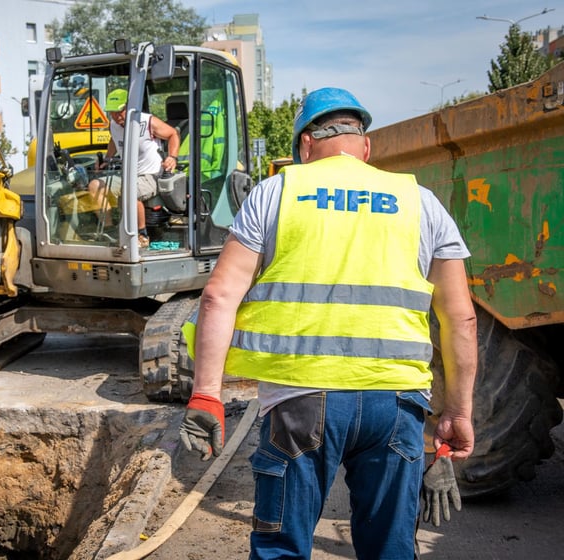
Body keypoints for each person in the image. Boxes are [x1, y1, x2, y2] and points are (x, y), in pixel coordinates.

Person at [178, 87, 478, 559]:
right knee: (390, 550)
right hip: (396, 405)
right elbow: (460, 318)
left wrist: (206, 394)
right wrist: (457, 414)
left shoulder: (277, 193)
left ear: (305, 146)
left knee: (283, 549)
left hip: (299, 402)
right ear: (366, 146)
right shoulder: (420, 201)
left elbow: (219, 296)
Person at [88, 88, 180, 248]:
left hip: (151, 175)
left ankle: (142, 235)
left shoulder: (147, 121)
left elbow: (173, 134)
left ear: (129, 107)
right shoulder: (114, 125)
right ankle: (109, 230)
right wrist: (107, 158)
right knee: (95, 186)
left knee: (130, 192)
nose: (116, 117)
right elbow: (114, 139)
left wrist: (172, 157)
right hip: (128, 175)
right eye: (112, 113)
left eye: (119, 112)